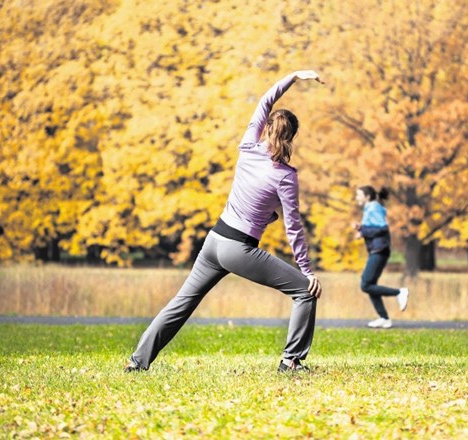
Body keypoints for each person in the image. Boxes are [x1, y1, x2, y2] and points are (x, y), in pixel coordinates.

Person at [124, 70, 324, 373]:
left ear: (267, 128)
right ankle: (291, 361)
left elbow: (265, 100)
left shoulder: (247, 148)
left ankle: (137, 363)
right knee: (303, 291)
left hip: (214, 241)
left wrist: (293, 76)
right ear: (292, 137)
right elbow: (293, 227)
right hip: (237, 248)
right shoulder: (285, 176)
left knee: (181, 304)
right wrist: (307, 271)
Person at [353, 186, 409, 329]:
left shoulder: (373, 207)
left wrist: (363, 230)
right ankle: (384, 318)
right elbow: (374, 228)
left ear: (367, 196)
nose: (356, 198)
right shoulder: (371, 208)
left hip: (380, 250)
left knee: (365, 284)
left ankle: (399, 292)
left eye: (358, 195)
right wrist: (361, 229)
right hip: (377, 250)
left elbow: (383, 228)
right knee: (370, 285)